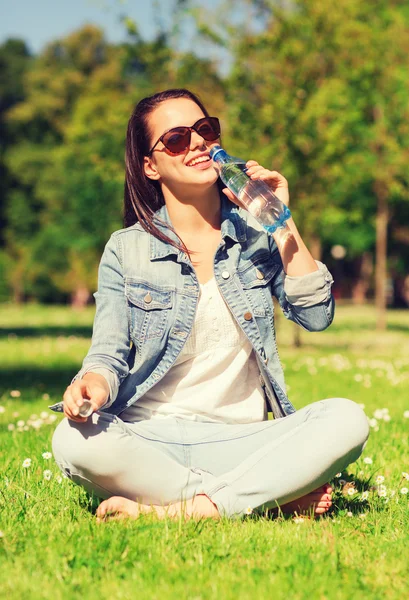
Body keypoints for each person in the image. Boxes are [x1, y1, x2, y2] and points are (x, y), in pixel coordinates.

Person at [50, 88, 370, 522]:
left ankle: (182, 510)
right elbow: (107, 353)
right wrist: (94, 384)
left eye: (204, 130)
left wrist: (282, 218)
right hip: (151, 437)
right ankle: (261, 495)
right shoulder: (126, 250)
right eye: (177, 139)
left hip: (243, 439)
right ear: (150, 165)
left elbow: (316, 315)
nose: (198, 143)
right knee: (71, 440)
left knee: (346, 419)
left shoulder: (258, 235)